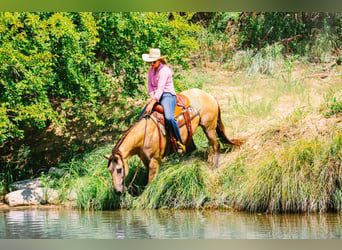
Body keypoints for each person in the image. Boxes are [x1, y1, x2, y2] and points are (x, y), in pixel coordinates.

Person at [141, 48, 185, 154]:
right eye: (150, 62)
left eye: (154, 61)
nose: (151, 64)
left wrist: (152, 103)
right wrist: (151, 97)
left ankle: (180, 142)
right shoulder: (151, 70)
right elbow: (150, 86)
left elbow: (161, 88)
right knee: (142, 116)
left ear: (159, 61)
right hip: (156, 95)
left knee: (169, 117)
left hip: (167, 94)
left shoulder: (165, 70)